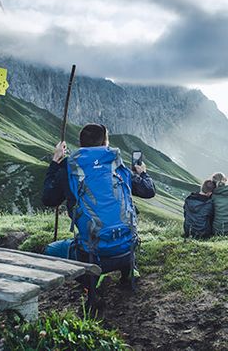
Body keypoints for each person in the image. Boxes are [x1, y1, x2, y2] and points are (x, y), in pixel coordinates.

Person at [42, 123, 156, 294]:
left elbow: (49, 199)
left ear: (81, 144)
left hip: (93, 254)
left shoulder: (70, 168)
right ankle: (130, 269)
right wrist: (143, 173)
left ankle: (91, 280)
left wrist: (55, 162)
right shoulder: (117, 165)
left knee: (50, 250)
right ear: (105, 143)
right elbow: (148, 191)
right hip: (127, 247)